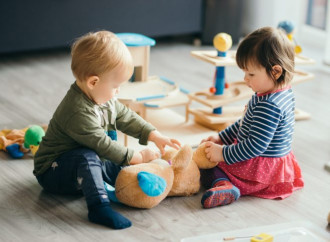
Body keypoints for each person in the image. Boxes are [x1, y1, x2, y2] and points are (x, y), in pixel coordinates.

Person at [33, 31, 181, 229]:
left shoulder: (104, 97)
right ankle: (98, 207)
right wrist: (137, 156)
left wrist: (154, 135)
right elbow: (102, 145)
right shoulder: (76, 111)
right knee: (90, 156)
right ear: (93, 82)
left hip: (87, 160)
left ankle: (144, 185)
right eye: (116, 86)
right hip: (53, 171)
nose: (118, 91)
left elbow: (125, 117)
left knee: (116, 166)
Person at [199, 27, 304, 209]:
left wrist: (222, 153)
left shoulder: (269, 104)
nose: (246, 79)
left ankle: (226, 185)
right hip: (274, 165)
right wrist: (222, 137)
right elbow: (245, 122)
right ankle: (227, 181)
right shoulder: (278, 92)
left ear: (276, 72)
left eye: (251, 74)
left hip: (260, 168)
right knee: (211, 156)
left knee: (207, 167)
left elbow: (255, 146)